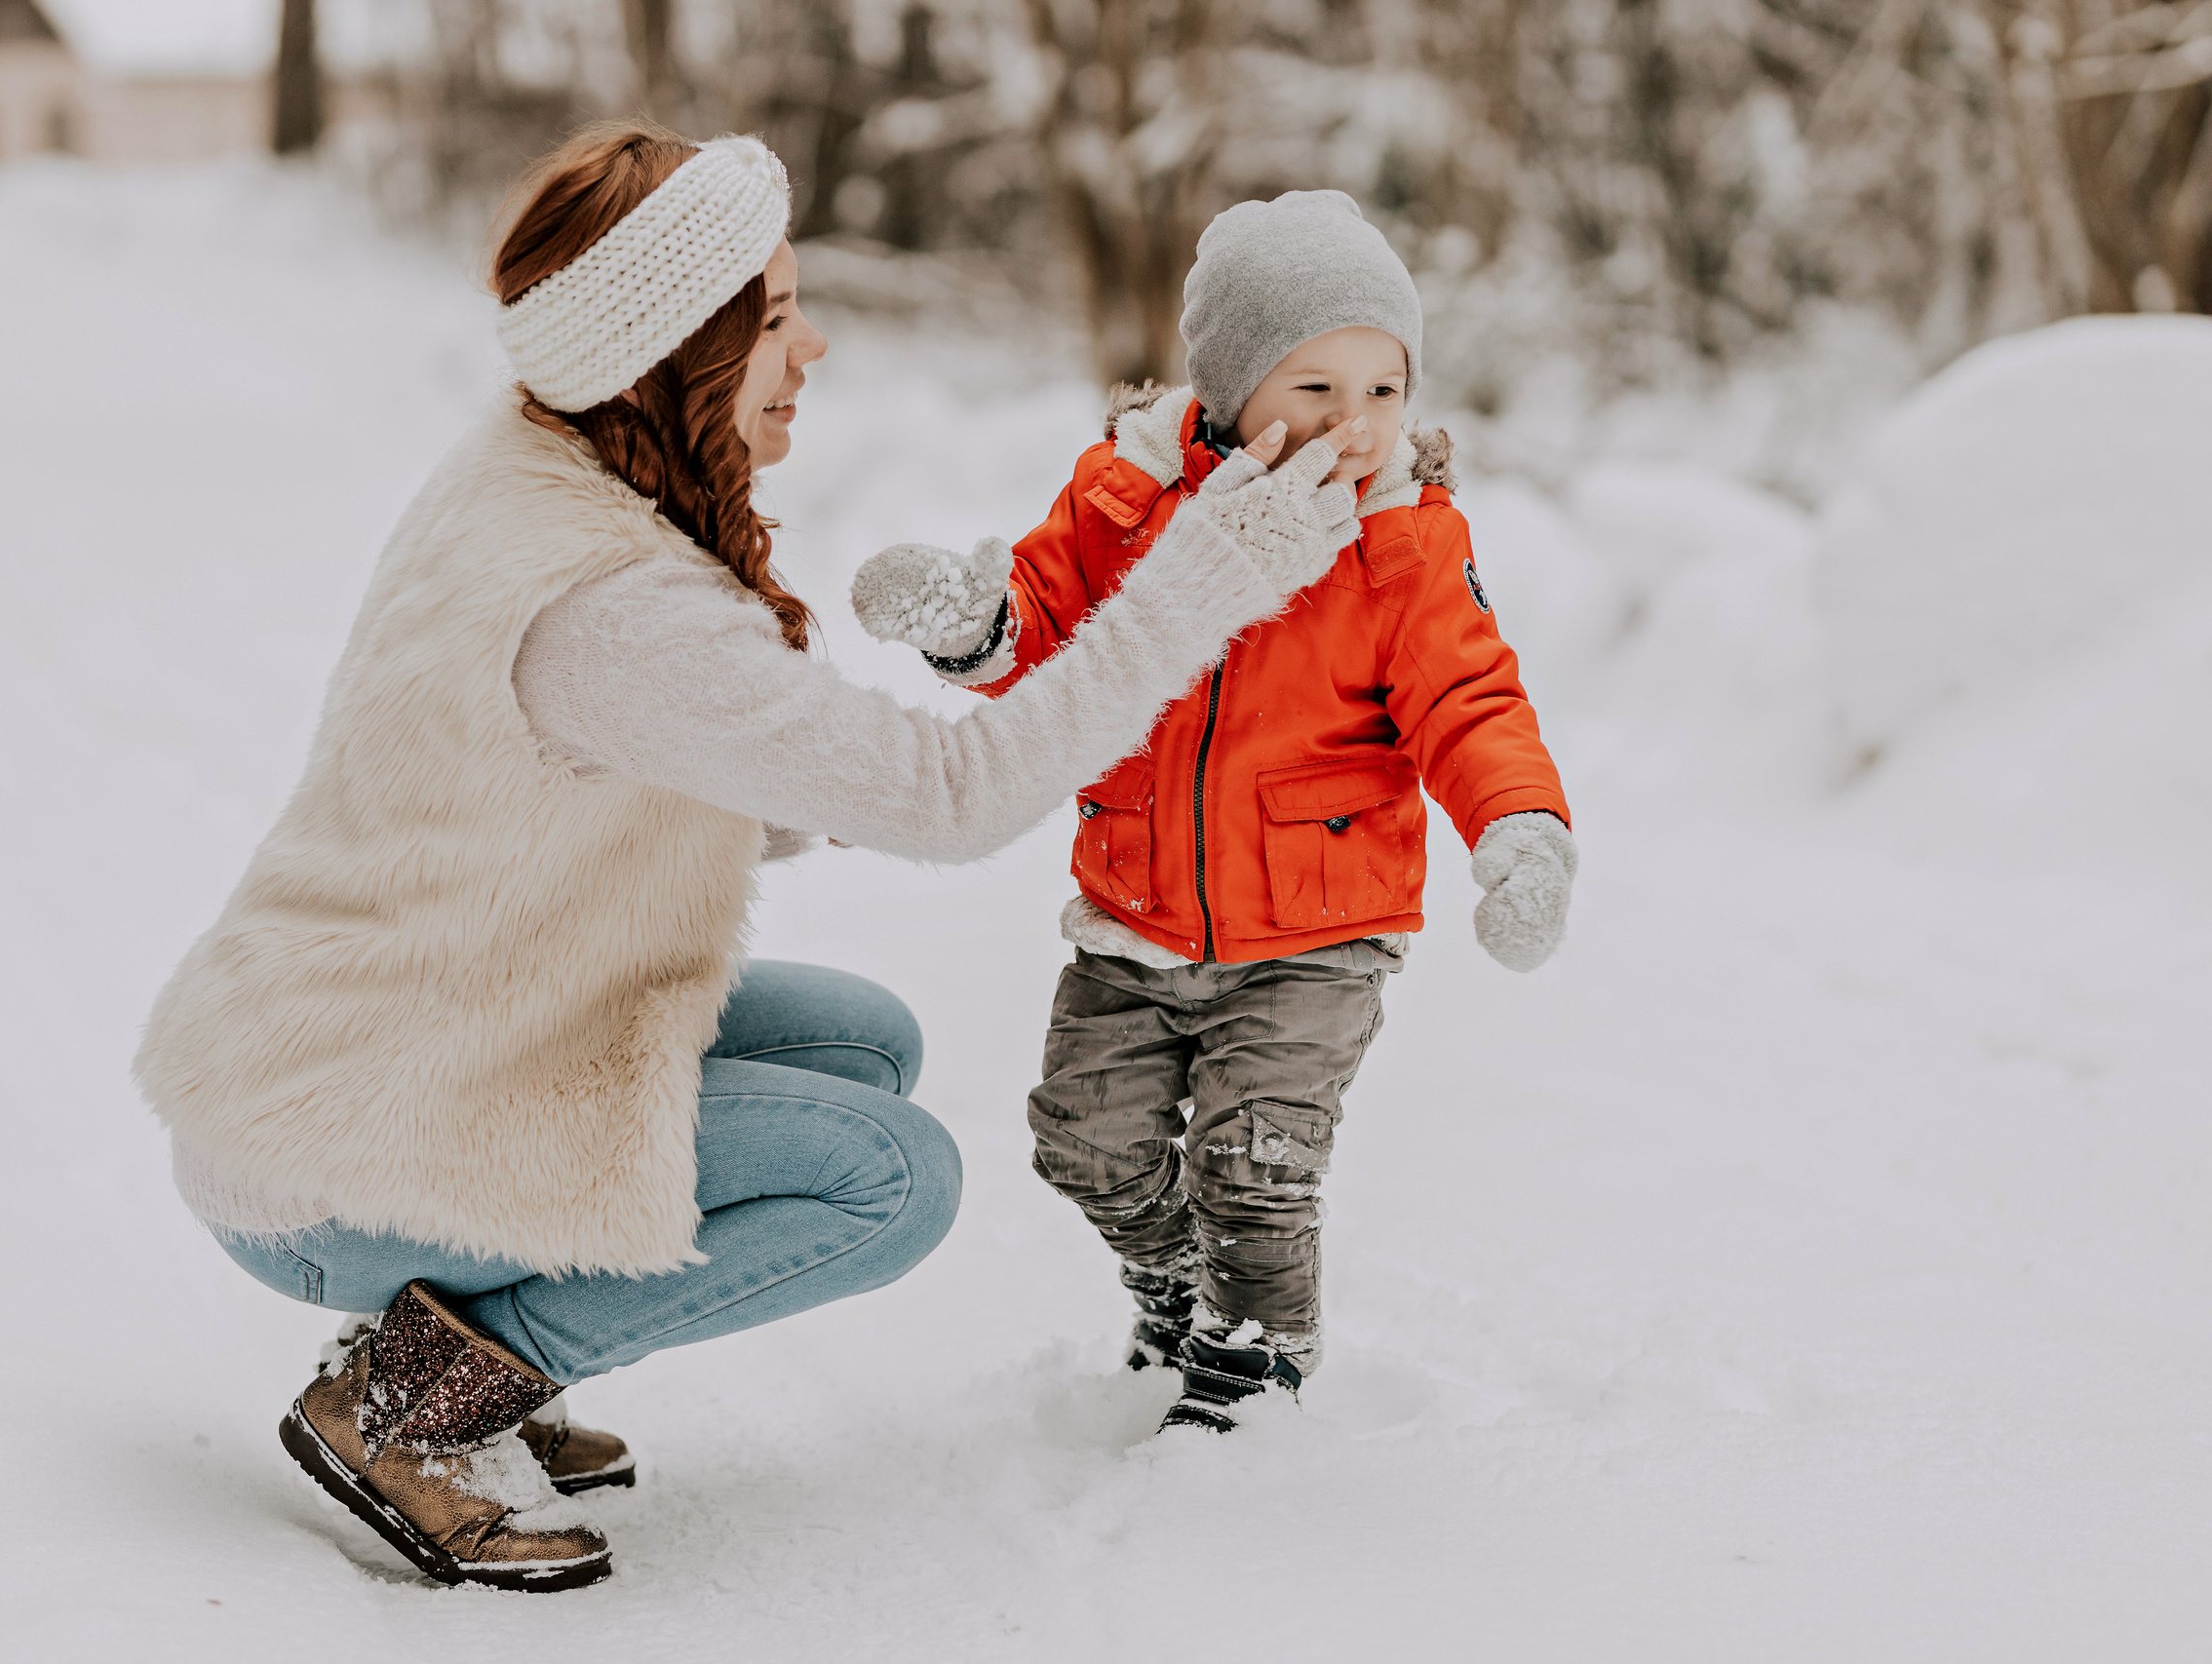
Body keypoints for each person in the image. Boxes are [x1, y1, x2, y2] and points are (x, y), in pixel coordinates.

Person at [134, 124, 1366, 1592]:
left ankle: (446, 1333)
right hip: (333, 1149)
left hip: (368, 1048)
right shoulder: (610, 601)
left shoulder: (532, 469)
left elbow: (564, 768)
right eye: (775, 317)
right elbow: (956, 798)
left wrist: (811, 763)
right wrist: (1202, 584)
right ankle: (424, 1396)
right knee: (890, 1179)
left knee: (865, 1041)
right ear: (677, 348)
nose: (814, 344)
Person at [850, 190, 1576, 1434]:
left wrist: (1517, 830)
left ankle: (1256, 1360)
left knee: (1256, 1162)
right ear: (1233, 388)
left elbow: (1469, 699)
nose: (1355, 426)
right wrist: (973, 628)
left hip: (1316, 929)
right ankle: (1173, 1279)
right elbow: (1044, 622)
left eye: (1383, 391)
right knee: (1080, 1140)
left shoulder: (1400, 542)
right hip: (1132, 909)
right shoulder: (1125, 498)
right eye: (1314, 391)